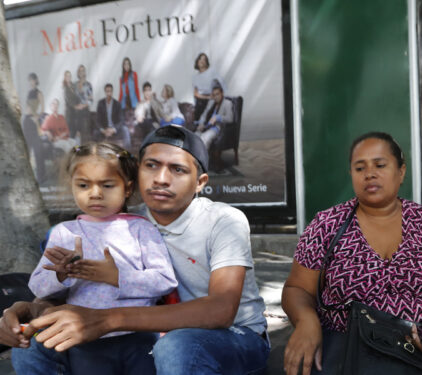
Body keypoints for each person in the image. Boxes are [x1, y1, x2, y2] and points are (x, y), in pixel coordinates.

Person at [0, 126, 270, 374]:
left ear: (200, 182)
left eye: (177, 170)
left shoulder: (223, 220)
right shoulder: (121, 220)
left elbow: (220, 310)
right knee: (34, 343)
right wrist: (31, 311)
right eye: (151, 166)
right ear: (136, 173)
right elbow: (77, 287)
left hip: (231, 336)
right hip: (148, 335)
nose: (161, 179)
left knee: (177, 345)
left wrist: (106, 319)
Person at [282, 132, 422, 375]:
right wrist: (306, 322)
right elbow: (297, 289)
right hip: (350, 339)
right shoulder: (327, 224)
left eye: (380, 165)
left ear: (401, 172)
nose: (369, 174)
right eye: (359, 168)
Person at [11, 142, 178, 375]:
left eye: (107, 185)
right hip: (84, 340)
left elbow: (165, 281)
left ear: (127, 188)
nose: (95, 193)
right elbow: (38, 287)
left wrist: (117, 277)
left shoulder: (141, 229)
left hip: (138, 335)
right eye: (83, 185)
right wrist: (59, 274)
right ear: (72, 186)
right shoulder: (65, 233)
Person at [196, 83, 233, 148]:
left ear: (222, 93)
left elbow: (230, 118)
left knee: (204, 138)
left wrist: (218, 117)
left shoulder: (227, 103)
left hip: (216, 128)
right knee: (194, 138)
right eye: (214, 95)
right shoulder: (211, 102)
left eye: (217, 94)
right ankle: (192, 157)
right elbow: (204, 114)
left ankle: (201, 158)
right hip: (206, 126)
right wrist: (201, 123)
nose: (216, 97)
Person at [96, 83, 131, 149]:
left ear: (112, 92)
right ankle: (94, 154)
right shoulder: (100, 103)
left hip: (115, 129)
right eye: (107, 91)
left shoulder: (117, 104)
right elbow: (97, 120)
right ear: (105, 92)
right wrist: (103, 130)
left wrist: (113, 129)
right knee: (95, 132)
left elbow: (121, 120)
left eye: (110, 91)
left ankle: (127, 154)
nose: (109, 93)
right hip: (104, 129)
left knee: (125, 130)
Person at [192, 53, 225, 122]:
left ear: (206, 62)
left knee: (206, 116)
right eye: (200, 59)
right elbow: (195, 94)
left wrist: (212, 97)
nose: (201, 61)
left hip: (211, 98)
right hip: (201, 100)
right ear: (197, 61)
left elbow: (221, 84)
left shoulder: (211, 72)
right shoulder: (195, 77)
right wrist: (206, 97)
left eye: (204, 59)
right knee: (197, 116)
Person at [73, 65, 94, 143]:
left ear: (85, 72)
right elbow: (72, 98)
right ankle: (77, 145)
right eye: (80, 71)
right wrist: (75, 106)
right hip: (76, 110)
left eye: (83, 71)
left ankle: (80, 137)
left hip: (84, 110)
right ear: (78, 73)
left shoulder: (88, 85)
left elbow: (91, 100)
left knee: (83, 128)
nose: (82, 72)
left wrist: (83, 105)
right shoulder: (74, 85)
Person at [62, 70, 81, 141]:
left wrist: (79, 104)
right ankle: (73, 150)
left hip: (76, 113)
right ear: (65, 77)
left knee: (78, 134)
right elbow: (69, 100)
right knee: (71, 134)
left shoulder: (74, 86)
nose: (68, 77)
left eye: (70, 76)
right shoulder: (65, 88)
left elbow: (78, 96)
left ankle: (78, 150)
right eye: (67, 76)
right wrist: (76, 106)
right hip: (70, 114)